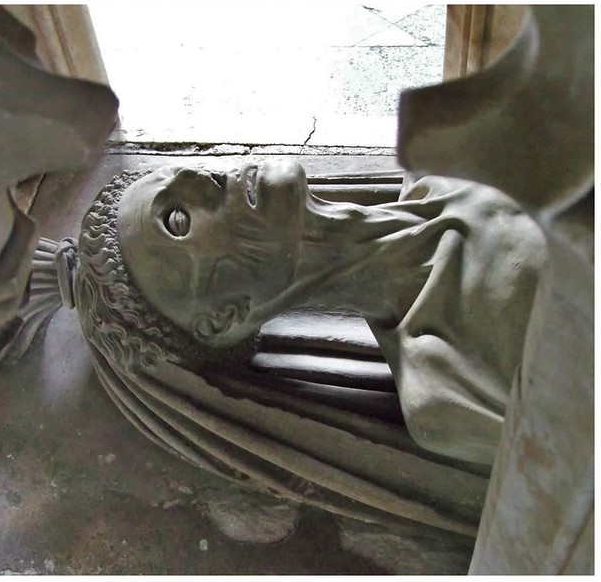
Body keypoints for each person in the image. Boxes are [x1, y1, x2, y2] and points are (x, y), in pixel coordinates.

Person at [73, 157, 544, 469]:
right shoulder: (449, 389)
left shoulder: (444, 164)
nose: (203, 178)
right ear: (226, 318)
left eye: (180, 170)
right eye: (177, 219)